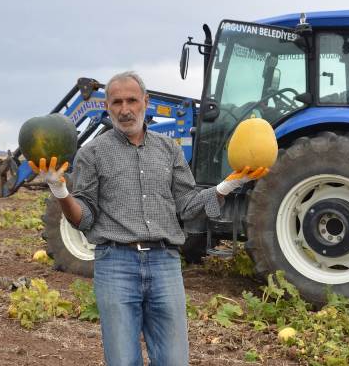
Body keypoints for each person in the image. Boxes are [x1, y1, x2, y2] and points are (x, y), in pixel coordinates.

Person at [29, 71, 266, 366]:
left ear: (146, 102)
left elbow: (189, 206)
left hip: (164, 263)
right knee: (122, 361)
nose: (125, 109)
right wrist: (60, 190)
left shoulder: (169, 150)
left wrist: (225, 188)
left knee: (174, 360)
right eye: (116, 102)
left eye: (132, 100)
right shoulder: (92, 153)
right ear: (107, 107)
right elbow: (85, 219)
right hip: (115, 265)